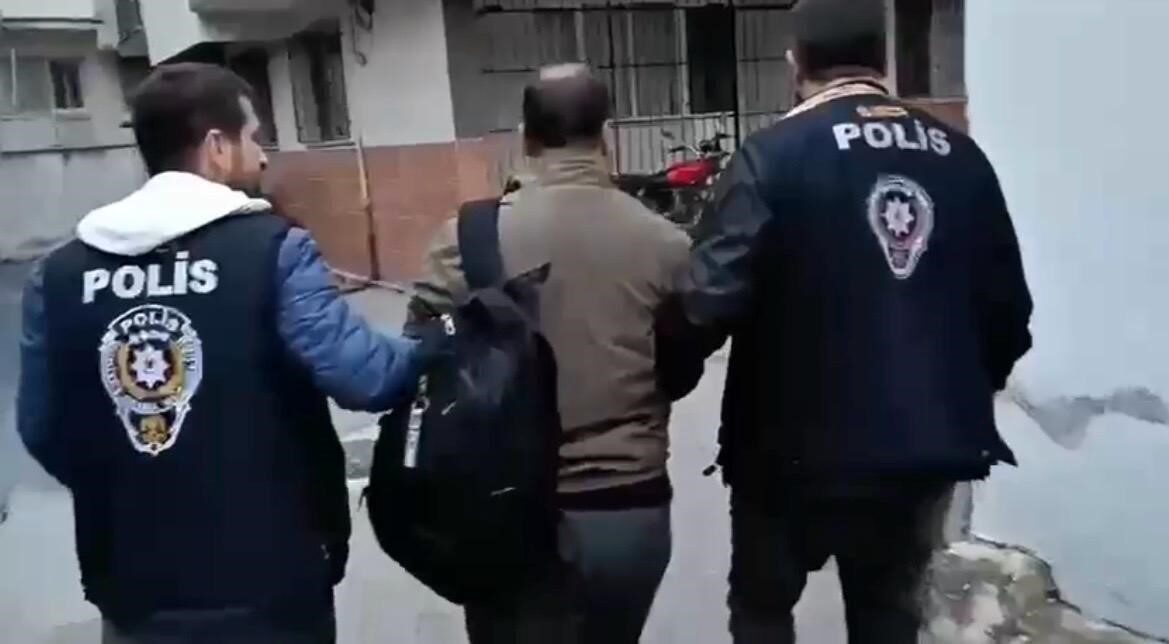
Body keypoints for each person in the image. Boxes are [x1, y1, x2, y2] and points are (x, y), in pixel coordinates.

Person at [17, 63, 433, 644]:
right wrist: (434, 344)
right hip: (270, 578)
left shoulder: (59, 274)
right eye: (254, 137)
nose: (262, 158)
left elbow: (42, 426)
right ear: (217, 147)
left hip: (132, 583)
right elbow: (364, 377)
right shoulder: (273, 249)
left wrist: (132, 476)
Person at [661, 0, 1034, 641]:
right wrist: (959, 395)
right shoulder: (961, 158)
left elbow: (707, 300)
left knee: (762, 609)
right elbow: (1009, 313)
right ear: (882, 61)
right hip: (918, 453)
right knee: (887, 613)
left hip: (788, 455)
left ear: (795, 66)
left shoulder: (771, 157)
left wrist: (664, 374)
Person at [409, 63, 692, 644]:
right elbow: (681, 367)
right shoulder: (668, 243)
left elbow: (420, 355)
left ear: (525, 138)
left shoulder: (470, 236)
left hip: (507, 510)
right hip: (628, 511)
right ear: (606, 136)